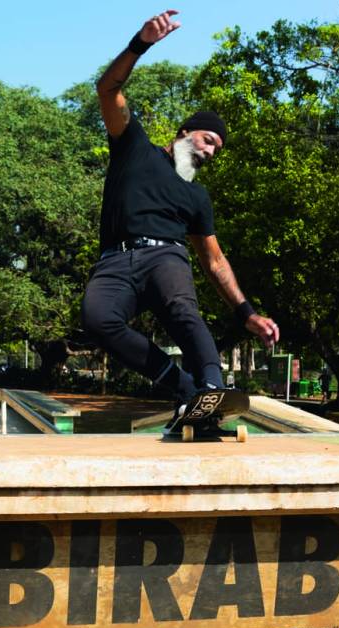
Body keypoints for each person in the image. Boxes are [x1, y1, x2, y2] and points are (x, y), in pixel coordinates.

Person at [81, 10, 278, 434]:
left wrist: (247, 313)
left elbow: (214, 260)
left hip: (165, 256)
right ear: (186, 131)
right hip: (115, 259)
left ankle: (212, 388)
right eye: (208, 140)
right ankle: (185, 389)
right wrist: (141, 42)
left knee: (181, 309)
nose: (209, 152)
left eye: (216, 150)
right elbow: (107, 88)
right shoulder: (134, 147)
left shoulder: (196, 195)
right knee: (97, 318)